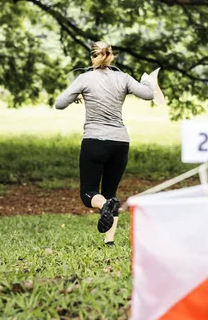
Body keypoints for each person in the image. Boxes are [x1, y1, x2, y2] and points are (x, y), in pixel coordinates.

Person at [55, 41, 154, 246]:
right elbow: (148, 94)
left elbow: (59, 103)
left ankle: (105, 206)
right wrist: (150, 82)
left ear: (93, 57)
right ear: (111, 56)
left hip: (94, 140)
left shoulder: (85, 78)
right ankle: (109, 242)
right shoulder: (123, 78)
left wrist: (76, 95)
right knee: (111, 192)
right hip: (120, 142)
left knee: (88, 192)